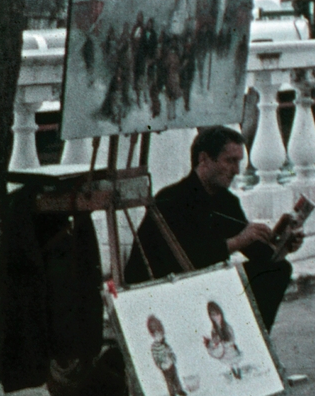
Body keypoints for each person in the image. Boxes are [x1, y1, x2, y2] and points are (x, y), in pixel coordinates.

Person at [125, 126, 302, 329]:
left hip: (202, 283)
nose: (236, 171)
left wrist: (284, 244)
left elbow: (259, 255)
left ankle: (256, 337)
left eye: (238, 162)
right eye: (230, 161)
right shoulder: (171, 199)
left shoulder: (227, 201)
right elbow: (183, 260)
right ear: (204, 159)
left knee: (277, 269)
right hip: (162, 288)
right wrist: (236, 242)